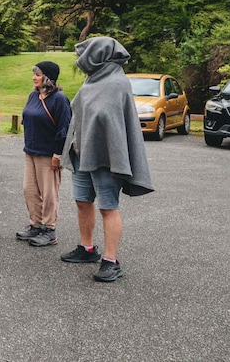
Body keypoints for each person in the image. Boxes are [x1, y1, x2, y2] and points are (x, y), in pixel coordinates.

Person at [59, 36, 154, 282]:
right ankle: (87, 248)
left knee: (107, 207)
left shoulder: (117, 83)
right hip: (81, 154)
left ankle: (111, 261)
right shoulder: (92, 80)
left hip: (105, 158)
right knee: (82, 201)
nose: (81, 60)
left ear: (98, 54)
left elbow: (112, 123)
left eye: (86, 53)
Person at [17, 61, 71, 247]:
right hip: (30, 151)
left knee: (49, 193)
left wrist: (58, 154)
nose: (34, 77)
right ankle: (36, 225)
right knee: (29, 190)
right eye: (34, 74)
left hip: (49, 154)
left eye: (38, 75)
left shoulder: (59, 99)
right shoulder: (34, 96)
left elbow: (64, 128)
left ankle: (49, 230)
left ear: (48, 78)